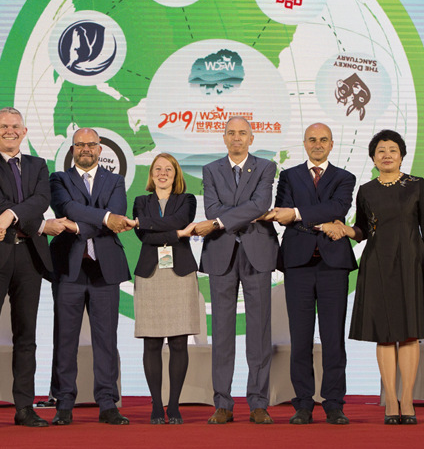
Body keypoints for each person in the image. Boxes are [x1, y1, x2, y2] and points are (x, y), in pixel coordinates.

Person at [330, 129, 424, 425]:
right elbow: (363, 230)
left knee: (409, 333)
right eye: (380, 151)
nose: (387, 155)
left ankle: (407, 399)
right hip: (377, 265)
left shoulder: (417, 185)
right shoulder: (366, 190)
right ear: (373, 158)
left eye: (392, 150)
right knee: (384, 334)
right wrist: (346, 230)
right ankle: (391, 400)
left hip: (411, 263)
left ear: (402, 156)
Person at [0, 108, 66, 431]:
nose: (10, 131)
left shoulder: (38, 165)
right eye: (4, 126)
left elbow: (41, 200)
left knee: (27, 336)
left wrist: (10, 216)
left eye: (15, 126)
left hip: (29, 257)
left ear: (24, 132)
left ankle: (24, 408)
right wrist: (35, 223)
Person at [269, 123, 357, 425]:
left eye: (323, 140)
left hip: (334, 265)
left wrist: (299, 214)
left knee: (334, 339)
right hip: (298, 264)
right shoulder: (289, 175)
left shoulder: (345, 177)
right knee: (301, 338)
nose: (317, 144)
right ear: (304, 143)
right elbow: (282, 213)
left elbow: (338, 207)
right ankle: (303, 403)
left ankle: (334, 403)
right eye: (312, 139)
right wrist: (321, 221)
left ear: (331, 144)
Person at [192, 117, 279, 425]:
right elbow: (212, 209)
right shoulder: (210, 169)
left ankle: (258, 403)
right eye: (231, 133)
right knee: (222, 332)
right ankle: (223, 403)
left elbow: (261, 204)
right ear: (224, 137)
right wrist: (240, 215)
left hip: (257, 253)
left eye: (243, 133)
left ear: (251, 138)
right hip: (221, 253)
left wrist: (222, 221)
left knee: (259, 332)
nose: (237, 138)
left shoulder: (266, 167)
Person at [49, 128, 134, 425]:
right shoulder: (59, 179)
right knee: (64, 338)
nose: (85, 148)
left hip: (105, 269)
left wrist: (75, 226)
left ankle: (108, 403)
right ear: (72, 149)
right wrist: (105, 218)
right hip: (68, 268)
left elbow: (117, 213)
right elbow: (67, 207)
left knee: (106, 340)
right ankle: (63, 403)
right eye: (80, 144)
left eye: (91, 144)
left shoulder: (115, 180)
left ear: (100, 149)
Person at [131, 153, 199, 425]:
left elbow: (178, 221)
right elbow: (145, 237)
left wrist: (149, 223)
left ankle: (174, 406)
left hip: (180, 273)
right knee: (152, 341)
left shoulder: (188, 199)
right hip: (150, 274)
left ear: (176, 173)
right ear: (151, 174)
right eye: (157, 169)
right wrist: (178, 234)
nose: (162, 173)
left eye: (168, 169)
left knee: (179, 342)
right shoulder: (140, 201)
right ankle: (157, 406)